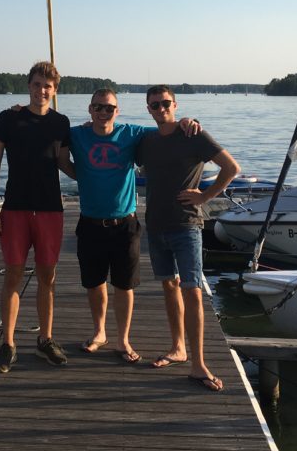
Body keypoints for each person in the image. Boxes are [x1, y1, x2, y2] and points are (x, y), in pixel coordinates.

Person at [69, 88, 200, 364]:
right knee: (94, 284)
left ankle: (123, 339)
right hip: (90, 222)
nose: (103, 112)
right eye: (98, 107)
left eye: (109, 108)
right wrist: (81, 174)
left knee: (124, 285)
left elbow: (166, 127)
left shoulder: (132, 133)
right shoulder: (76, 134)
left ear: (117, 111)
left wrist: (186, 120)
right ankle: (99, 333)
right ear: (90, 109)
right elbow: (53, 145)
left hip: (124, 223)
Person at [137, 85, 240, 392]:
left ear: (175, 104)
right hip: (155, 225)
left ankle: (198, 364)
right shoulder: (147, 141)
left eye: (166, 103)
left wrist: (205, 196)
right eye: (155, 105)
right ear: (149, 109)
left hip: (186, 225)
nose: (161, 108)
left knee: (192, 290)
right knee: (169, 285)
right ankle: (177, 347)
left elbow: (231, 168)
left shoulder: (194, 135)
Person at [0, 61, 75, 373]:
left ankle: (45, 340)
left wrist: (98, 177)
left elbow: (64, 162)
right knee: (13, 275)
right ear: (29, 86)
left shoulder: (61, 122)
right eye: (37, 85)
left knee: (47, 278)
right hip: (15, 209)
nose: (41, 91)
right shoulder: (9, 118)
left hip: (50, 209)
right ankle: (8, 343)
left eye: (47, 86)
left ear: (55, 90)